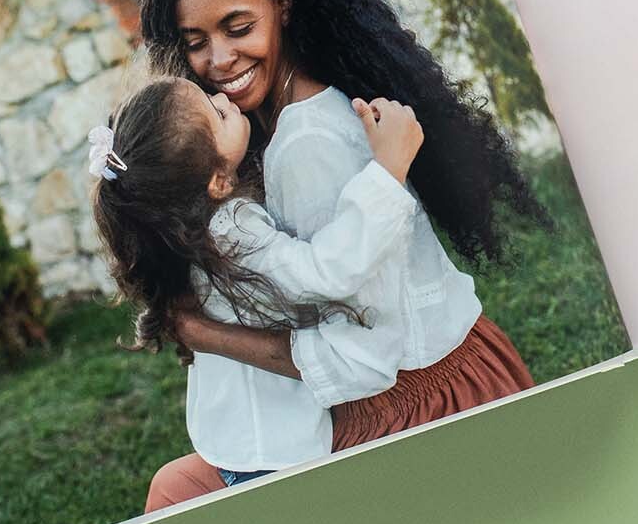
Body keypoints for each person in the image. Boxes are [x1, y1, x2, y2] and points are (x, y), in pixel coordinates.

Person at [133, 0, 538, 512]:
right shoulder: (272, 121)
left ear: (284, 5)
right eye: (196, 41)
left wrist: (205, 334)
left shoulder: (306, 145)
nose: (218, 62)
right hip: (439, 378)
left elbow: (366, 353)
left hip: (410, 412)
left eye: (239, 28)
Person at [90, 74, 426, 488]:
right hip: (276, 455)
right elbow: (323, 273)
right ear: (217, 181)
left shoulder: (178, 228)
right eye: (216, 111)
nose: (221, 97)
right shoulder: (232, 230)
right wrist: (387, 172)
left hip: (237, 440)